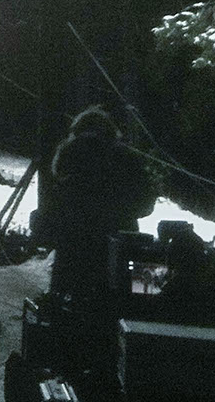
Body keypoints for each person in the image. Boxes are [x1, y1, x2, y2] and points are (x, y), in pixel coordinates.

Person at [32, 107, 157, 308]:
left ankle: (62, 302)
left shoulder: (70, 151)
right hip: (121, 235)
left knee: (72, 296)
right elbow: (145, 203)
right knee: (129, 285)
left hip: (77, 237)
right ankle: (138, 312)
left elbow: (57, 193)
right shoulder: (128, 156)